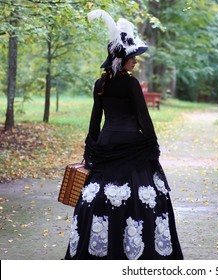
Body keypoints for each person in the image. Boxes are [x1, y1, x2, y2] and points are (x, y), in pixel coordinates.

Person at [64, 9, 183, 260]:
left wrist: (91, 148)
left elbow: (95, 121)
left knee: (99, 196)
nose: (136, 61)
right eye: (132, 57)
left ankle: (98, 250)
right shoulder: (130, 83)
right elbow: (143, 118)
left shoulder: (101, 84)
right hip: (132, 146)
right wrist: (152, 147)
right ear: (121, 57)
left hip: (107, 145)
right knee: (142, 198)